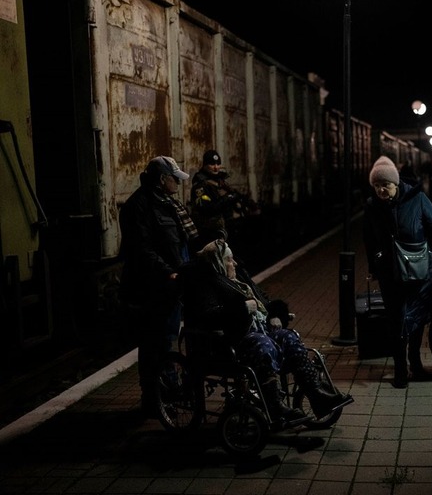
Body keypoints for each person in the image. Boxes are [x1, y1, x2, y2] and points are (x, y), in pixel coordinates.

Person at [181, 239, 353, 420]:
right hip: (230, 342)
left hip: (255, 332)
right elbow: (209, 316)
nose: (235, 263)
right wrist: (243, 308)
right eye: (230, 260)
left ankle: (316, 395)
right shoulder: (207, 284)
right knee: (263, 344)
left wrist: (275, 315)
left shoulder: (238, 280)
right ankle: (275, 406)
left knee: (289, 337)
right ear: (217, 262)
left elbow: (263, 302)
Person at [362, 156, 432, 388]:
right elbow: (369, 239)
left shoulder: (418, 199)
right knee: (396, 320)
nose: (381, 190)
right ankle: (400, 370)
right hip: (391, 273)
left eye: (385, 185)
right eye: (376, 186)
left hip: (421, 272)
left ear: (396, 183)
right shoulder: (372, 206)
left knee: (416, 319)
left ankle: (415, 364)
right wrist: (373, 267)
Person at [118, 156, 199, 414]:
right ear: (162, 180)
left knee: (166, 340)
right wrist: (168, 273)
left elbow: (180, 242)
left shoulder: (168, 204)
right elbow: (142, 249)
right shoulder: (138, 206)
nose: (178, 183)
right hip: (152, 287)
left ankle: (165, 395)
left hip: (172, 284)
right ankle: (155, 399)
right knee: (154, 342)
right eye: (175, 178)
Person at [189, 149, 258, 248]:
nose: (216, 168)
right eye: (212, 164)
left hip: (227, 229)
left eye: (218, 164)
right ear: (204, 165)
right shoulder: (200, 185)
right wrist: (228, 198)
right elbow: (206, 209)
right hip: (213, 233)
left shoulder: (219, 181)